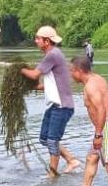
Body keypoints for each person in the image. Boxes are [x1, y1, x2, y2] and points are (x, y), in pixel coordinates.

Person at [20, 26, 80, 177]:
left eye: (38, 39)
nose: (36, 41)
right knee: (44, 139)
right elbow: (49, 84)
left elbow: (34, 75)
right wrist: (31, 88)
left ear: (46, 41)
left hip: (62, 106)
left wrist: (19, 69)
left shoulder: (52, 55)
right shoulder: (54, 55)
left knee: (52, 140)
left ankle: (52, 174)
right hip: (55, 105)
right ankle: (71, 160)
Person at [70, 56, 108, 186]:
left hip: (107, 127)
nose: (70, 74)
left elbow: (102, 109)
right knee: (92, 157)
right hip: (107, 125)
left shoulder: (91, 86)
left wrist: (98, 134)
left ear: (79, 71)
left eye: (72, 71)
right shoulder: (97, 79)